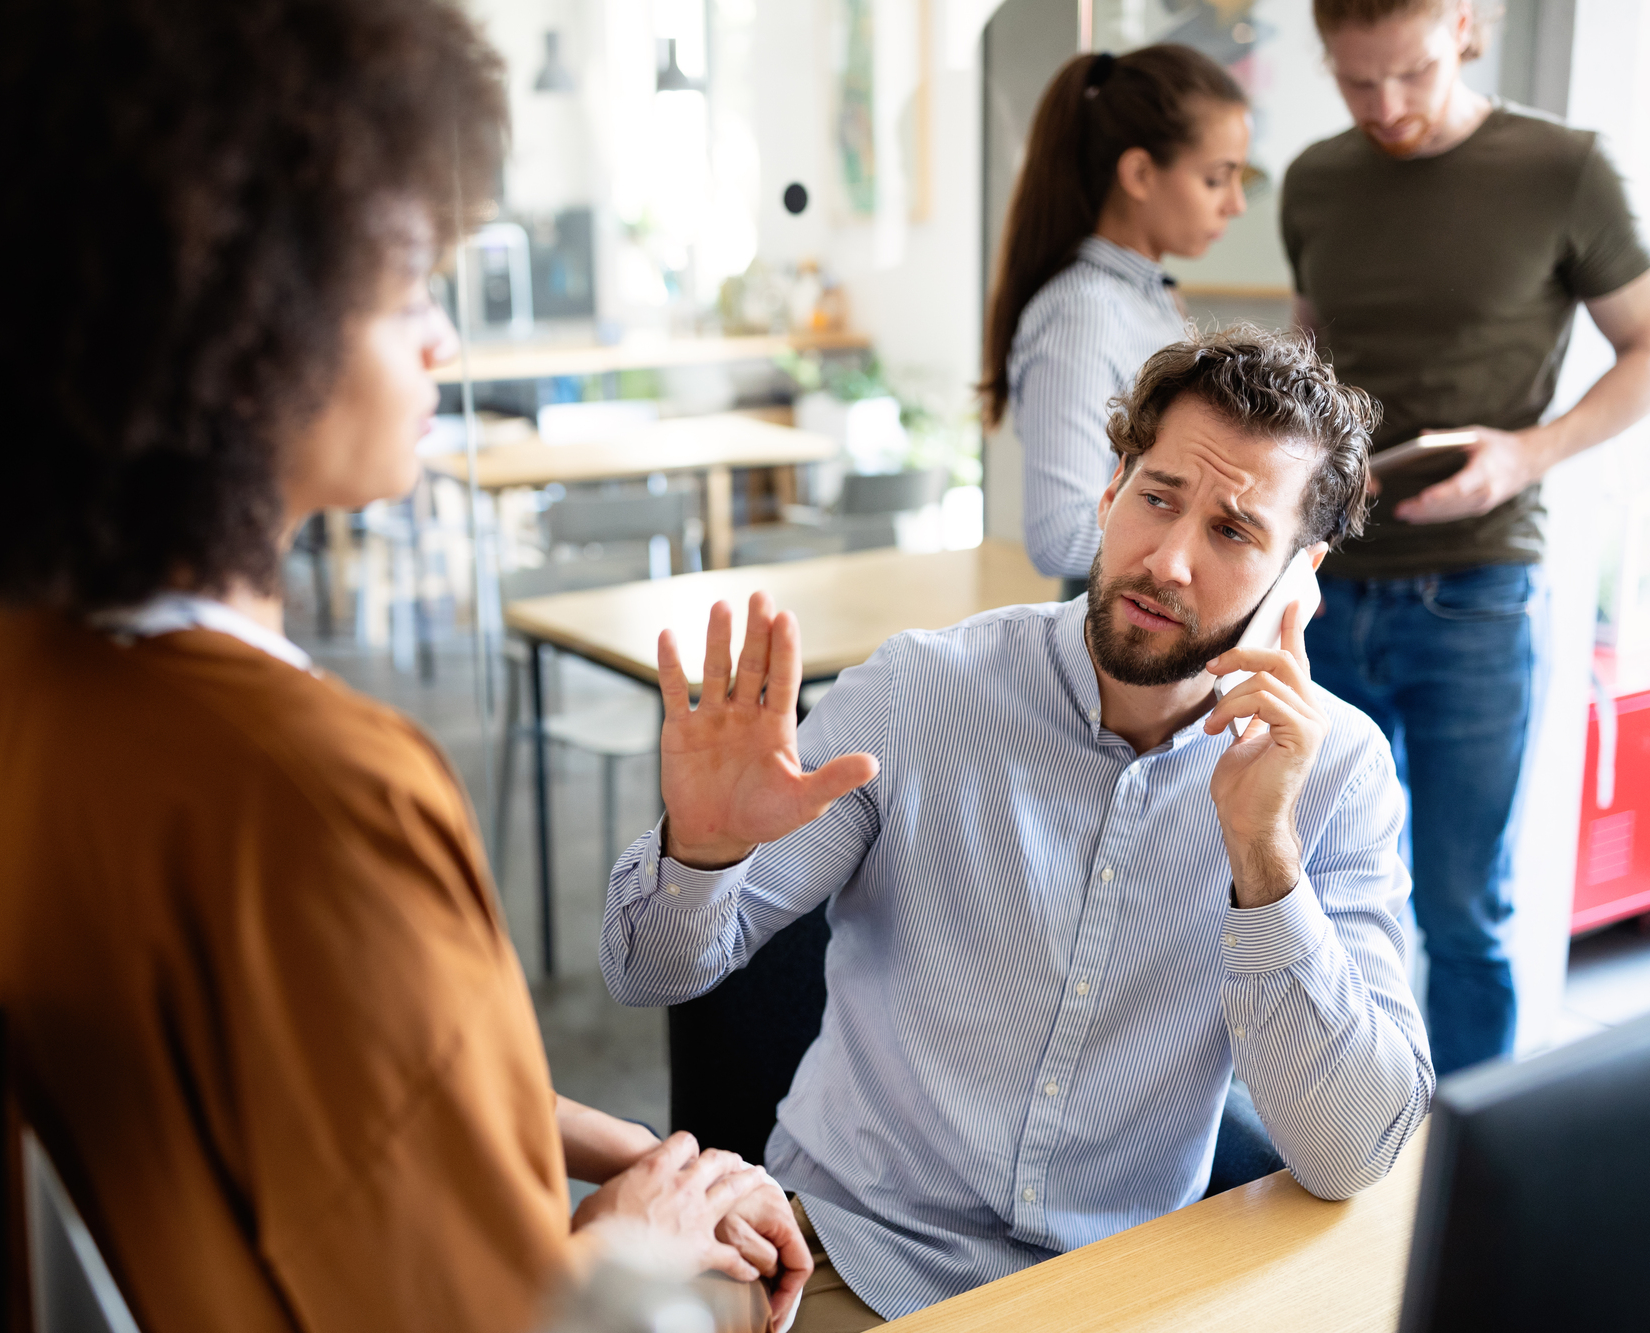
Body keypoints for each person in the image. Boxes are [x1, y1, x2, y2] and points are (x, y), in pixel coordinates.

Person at [0, 2, 809, 1330]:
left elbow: (290, 1074)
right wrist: (638, 1238)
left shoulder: (1, 661)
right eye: (404, 289)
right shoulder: (316, 793)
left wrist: (599, 1145)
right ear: (232, 330)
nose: (443, 339)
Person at [602, 327, 1432, 1327]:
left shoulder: (1333, 773)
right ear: (1109, 490)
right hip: (846, 1252)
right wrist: (704, 851)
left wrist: (1264, 856)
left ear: (1297, 571)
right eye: (1157, 498)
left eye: (1232, 531)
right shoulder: (920, 692)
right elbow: (644, 972)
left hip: (1114, 1290)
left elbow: (1354, 1152)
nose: (1166, 558)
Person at [1285, 0, 1650, 1073]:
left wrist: (1526, 453)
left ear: (1466, 25)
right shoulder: (1314, 180)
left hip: (1476, 593)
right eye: (1352, 81)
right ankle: (1331, 1149)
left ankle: (1463, 1194)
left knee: (1464, 913)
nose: (1384, 108)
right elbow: (1308, 352)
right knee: (1310, 892)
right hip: (1321, 588)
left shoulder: (1561, 170)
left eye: (1409, 73)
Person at [979, 45, 1251, 595]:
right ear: (1140, 172)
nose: (1236, 204)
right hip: (1113, 635)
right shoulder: (1085, 312)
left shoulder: (1149, 299)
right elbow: (1059, 535)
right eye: (1217, 179)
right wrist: (1221, 551)